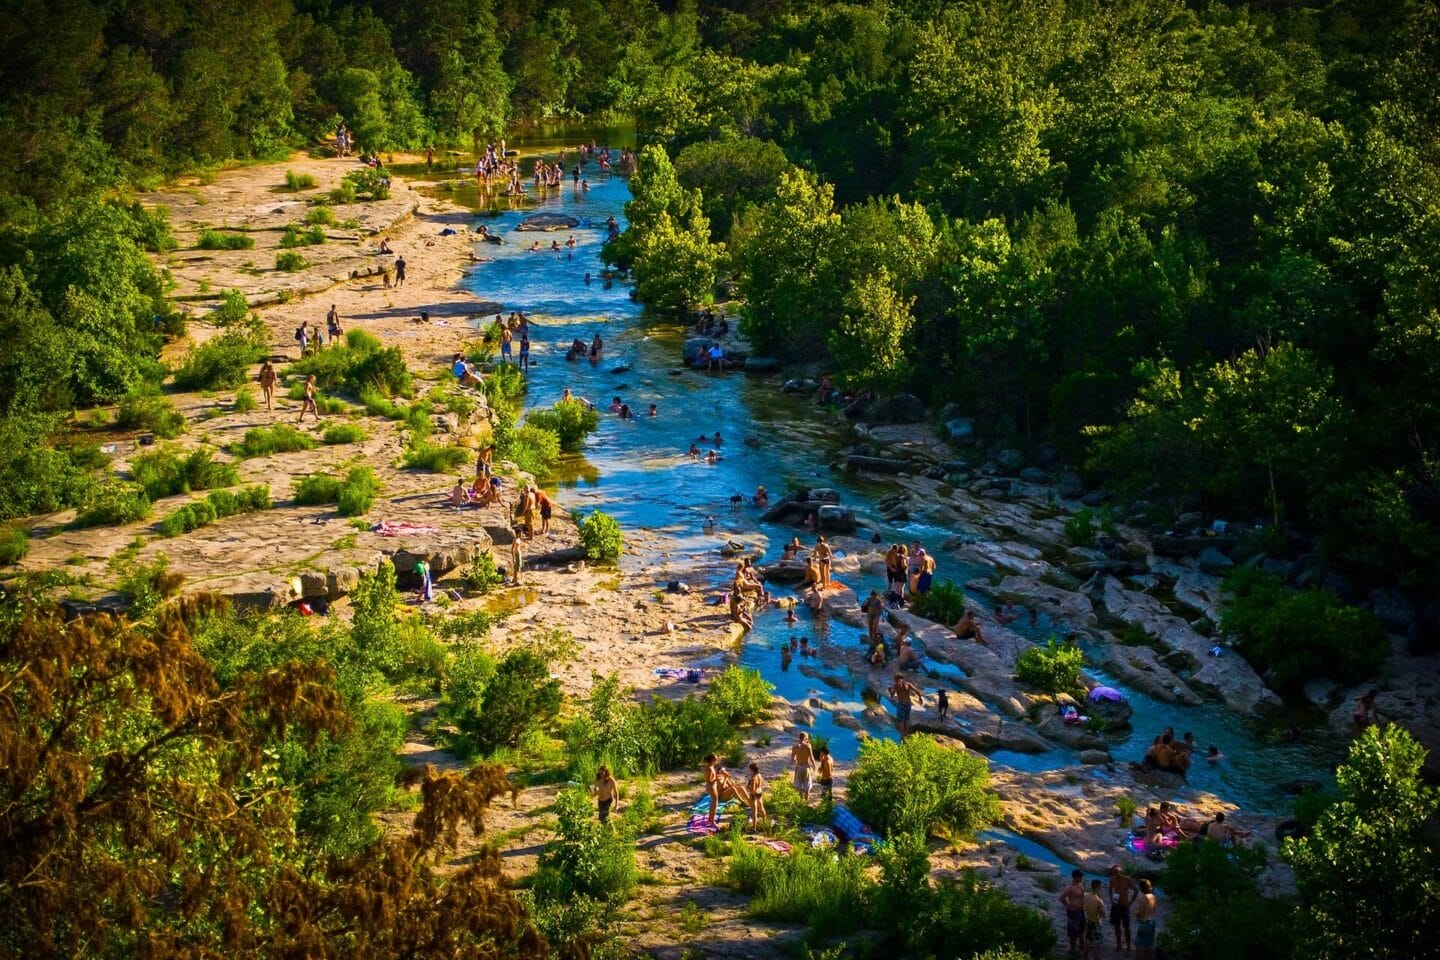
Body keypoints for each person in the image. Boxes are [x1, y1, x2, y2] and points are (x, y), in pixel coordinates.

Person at [1059, 870, 1087, 957]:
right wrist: (1068, 906)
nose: (1082, 878)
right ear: (1075, 877)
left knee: (1082, 928)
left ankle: (1082, 946)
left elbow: (1083, 896)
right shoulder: (1070, 887)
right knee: (1073, 931)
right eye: (1080, 877)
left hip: (1081, 910)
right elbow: (1061, 897)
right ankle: (1073, 949)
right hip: (1073, 911)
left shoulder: (1080, 885)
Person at [1108, 865, 1135, 955]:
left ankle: (1128, 948)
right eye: (1114, 872)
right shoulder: (1112, 880)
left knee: (1126, 927)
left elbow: (1136, 890)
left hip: (1124, 906)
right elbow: (1110, 890)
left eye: (1117, 871)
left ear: (1121, 871)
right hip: (1116, 906)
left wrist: (1130, 903)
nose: (1116, 873)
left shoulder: (1127, 879)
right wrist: (1111, 899)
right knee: (1116, 926)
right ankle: (1119, 945)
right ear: (1112, 872)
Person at [889, 672, 922, 737]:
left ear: (896, 679)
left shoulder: (896, 685)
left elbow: (892, 695)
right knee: (907, 719)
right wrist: (920, 698)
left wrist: (890, 690)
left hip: (902, 704)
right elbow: (916, 690)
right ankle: (906, 732)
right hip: (908, 704)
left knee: (900, 720)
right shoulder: (908, 684)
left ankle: (902, 734)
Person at [1134, 879, 1158, 959]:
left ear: (1141, 887)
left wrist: (1135, 913)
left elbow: (1140, 913)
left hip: (1144, 923)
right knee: (1148, 943)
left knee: (1139, 945)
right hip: (1151, 921)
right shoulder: (1153, 896)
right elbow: (1154, 910)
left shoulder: (1142, 898)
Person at [1084, 880, 1107, 960]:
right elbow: (1104, 915)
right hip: (1096, 923)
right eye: (1101, 887)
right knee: (1097, 945)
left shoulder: (1085, 895)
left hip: (1088, 921)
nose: (1101, 889)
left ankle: (1085, 958)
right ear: (1097, 887)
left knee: (1087, 941)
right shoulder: (1098, 901)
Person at [791, 732, 816, 802]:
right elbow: (812, 758)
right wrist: (814, 767)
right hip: (806, 768)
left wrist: (797, 760)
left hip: (799, 767)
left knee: (798, 785)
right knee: (807, 786)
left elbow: (792, 759)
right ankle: (806, 801)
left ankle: (800, 801)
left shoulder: (795, 747)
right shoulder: (808, 746)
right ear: (805, 738)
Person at [746, 763, 767, 830]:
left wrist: (747, 787)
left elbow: (753, 790)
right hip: (759, 793)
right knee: (761, 809)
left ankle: (754, 828)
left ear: (751, 769)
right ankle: (765, 823)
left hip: (754, 795)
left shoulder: (753, 778)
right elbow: (762, 784)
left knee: (754, 811)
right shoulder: (759, 775)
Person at [704, 754, 722, 827]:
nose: (716, 760)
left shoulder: (711, 766)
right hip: (711, 786)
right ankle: (712, 821)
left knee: (714, 802)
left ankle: (710, 819)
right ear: (711, 760)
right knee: (714, 803)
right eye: (715, 759)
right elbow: (709, 781)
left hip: (713, 786)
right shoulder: (709, 768)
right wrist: (716, 778)